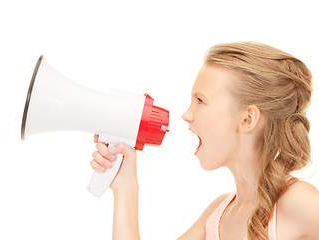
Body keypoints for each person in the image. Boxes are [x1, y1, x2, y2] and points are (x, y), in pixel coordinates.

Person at [90, 42, 319, 240]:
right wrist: (125, 188)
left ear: (248, 118)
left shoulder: (300, 203)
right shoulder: (217, 215)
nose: (186, 114)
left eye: (200, 100)